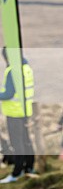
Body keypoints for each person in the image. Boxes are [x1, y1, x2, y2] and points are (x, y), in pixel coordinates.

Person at [0, 48, 35, 182]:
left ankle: (17, 173)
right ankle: (29, 167)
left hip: (14, 112)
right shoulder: (26, 68)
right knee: (26, 141)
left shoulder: (12, 71)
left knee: (17, 143)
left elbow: (8, 94)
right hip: (25, 111)